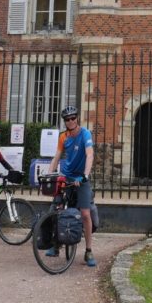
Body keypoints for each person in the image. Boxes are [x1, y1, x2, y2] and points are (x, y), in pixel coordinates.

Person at [47, 104, 96, 266]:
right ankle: (56, 245)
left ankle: (88, 251)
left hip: (81, 178)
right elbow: (57, 157)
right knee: (57, 209)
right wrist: (49, 174)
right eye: (67, 119)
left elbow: (89, 155)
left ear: (77, 118)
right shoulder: (63, 137)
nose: (70, 121)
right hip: (67, 176)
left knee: (85, 214)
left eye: (73, 118)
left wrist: (85, 175)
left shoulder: (85, 134)